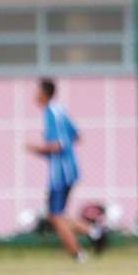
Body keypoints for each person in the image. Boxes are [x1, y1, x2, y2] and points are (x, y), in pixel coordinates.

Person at [26, 79, 98, 261]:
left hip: (60, 174)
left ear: (44, 93)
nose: (34, 95)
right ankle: (94, 232)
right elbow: (76, 136)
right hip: (70, 169)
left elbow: (57, 145)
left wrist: (36, 149)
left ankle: (79, 254)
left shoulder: (51, 113)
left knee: (56, 216)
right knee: (54, 215)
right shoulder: (60, 110)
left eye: (37, 91)